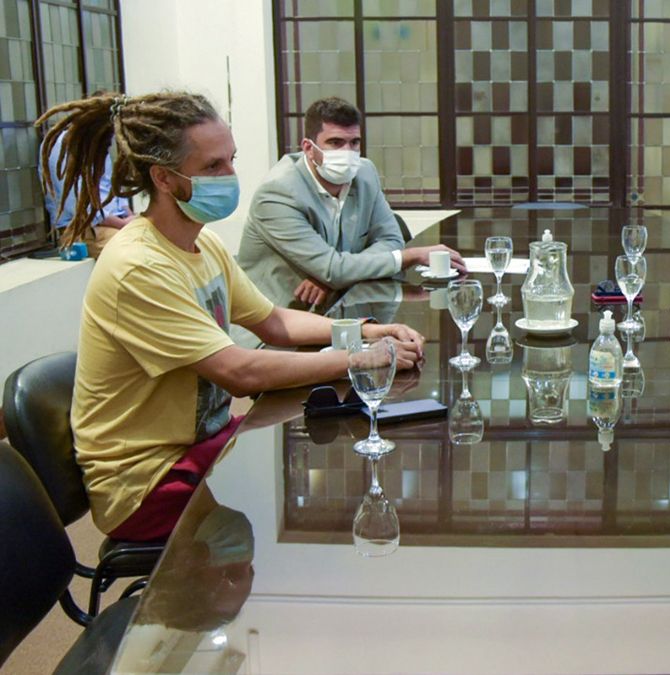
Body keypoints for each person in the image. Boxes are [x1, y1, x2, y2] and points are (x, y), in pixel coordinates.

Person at [37, 91, 425, 542]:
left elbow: (275, 321)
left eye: (231, 161)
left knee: (331, 444)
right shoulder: (138, 266)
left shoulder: (203, 243)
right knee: (297, 506)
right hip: (146, 479)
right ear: (163, 178)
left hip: (204, 439)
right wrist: (358, 359)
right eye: (212, 166)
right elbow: (239, 373)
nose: (230, 177)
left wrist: (368, 329)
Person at [238, 97, 463, 309]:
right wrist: (410, 257)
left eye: (354, 142)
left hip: (343, 304)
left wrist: (337, 274)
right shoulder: (277, 194)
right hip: (279, 320)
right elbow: (333, 270)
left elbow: (391, 240)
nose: (347, 152)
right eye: (335, 143)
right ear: (308, 148)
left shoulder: (365, 173)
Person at [39, 91, 135, 256]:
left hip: (115, 222)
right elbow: (80, 207)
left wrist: (131, 218)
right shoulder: (63, 145)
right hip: (85, 228)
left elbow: (113, 188)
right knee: (138, 253)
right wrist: (124, 225)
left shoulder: (98, 144)